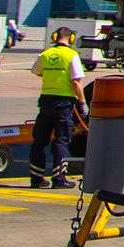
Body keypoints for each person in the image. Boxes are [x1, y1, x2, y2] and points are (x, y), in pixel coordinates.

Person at [28, 26, 85, 188]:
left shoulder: (45, 54)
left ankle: (36, 179)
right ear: (71, 39)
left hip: (46, 102)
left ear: (54, 37)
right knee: (61, 141)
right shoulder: (71, 55)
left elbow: (36, 71)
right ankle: (59, 179)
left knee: (39, 141)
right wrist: (82, 103)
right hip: (64, 104)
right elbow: (76, 82)